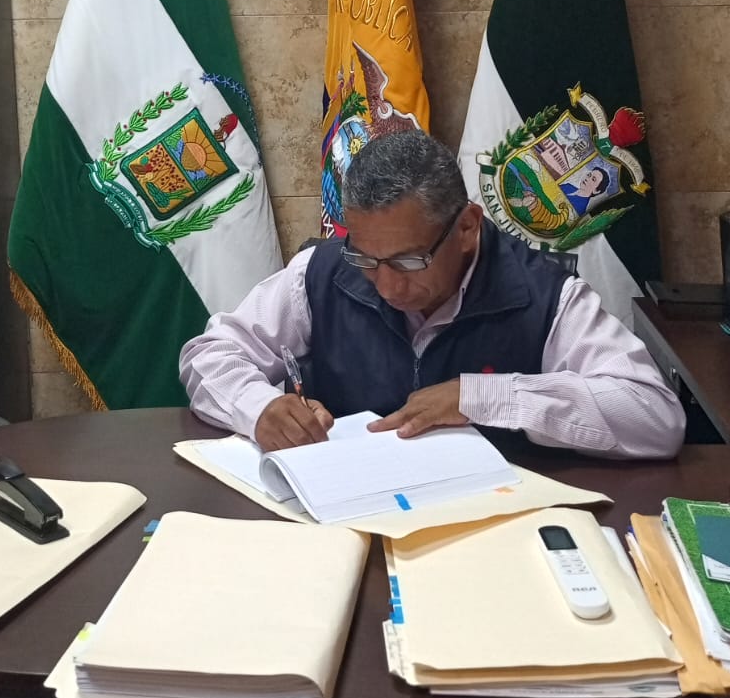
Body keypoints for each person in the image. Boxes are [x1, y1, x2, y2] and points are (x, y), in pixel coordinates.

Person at [180, 130, 685, 458]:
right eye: (366, 259)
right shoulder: (322, 272)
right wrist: (260, 408)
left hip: (493, 529)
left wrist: (484, 397)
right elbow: (210, 354)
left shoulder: (547, 295)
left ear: (466, 227)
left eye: (408, 261)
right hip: (352, 516)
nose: (387, 285)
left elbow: (655, 415)